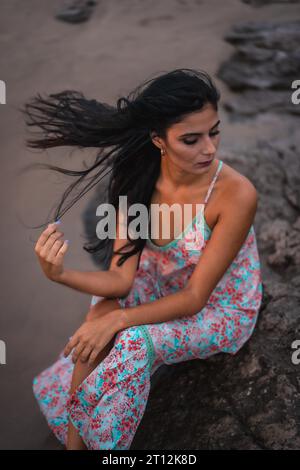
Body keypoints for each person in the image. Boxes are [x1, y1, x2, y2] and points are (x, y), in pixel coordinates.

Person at [21, 68, 263, 450]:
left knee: (133, 339)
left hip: (220, 308)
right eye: (191, 139)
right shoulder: (136, 178)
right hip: (162, 283)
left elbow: (196, 298)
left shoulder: (235, 194)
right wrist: (60, 274)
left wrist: (121, 320)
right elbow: (120, 279)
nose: (210, 149)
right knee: (102, 310)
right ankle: (75, 446)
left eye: (214, 131)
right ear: (158, 139)